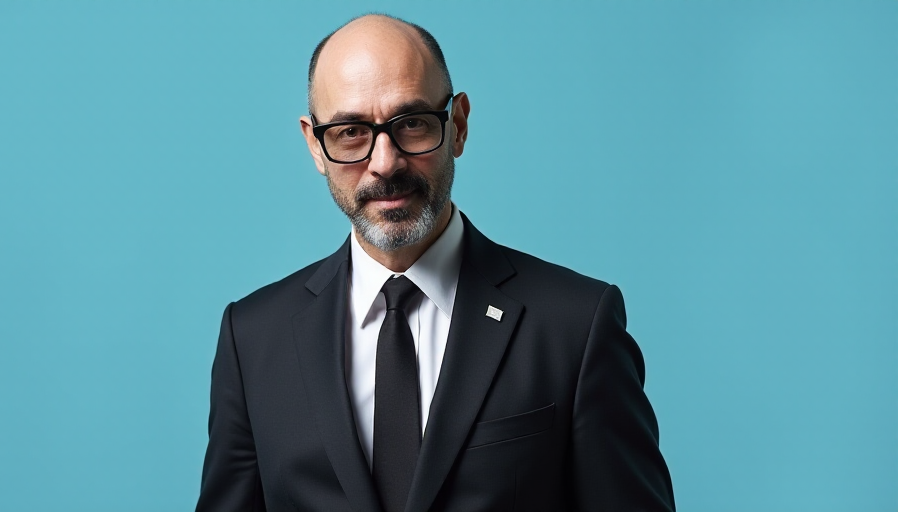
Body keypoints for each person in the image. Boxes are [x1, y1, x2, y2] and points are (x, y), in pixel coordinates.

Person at [196, 13, 675, 512]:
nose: (385, 162)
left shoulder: (575, 325)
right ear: (316, 145)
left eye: (412, 124)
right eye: (350, 132)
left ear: (459, 125)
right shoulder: (251, 339)